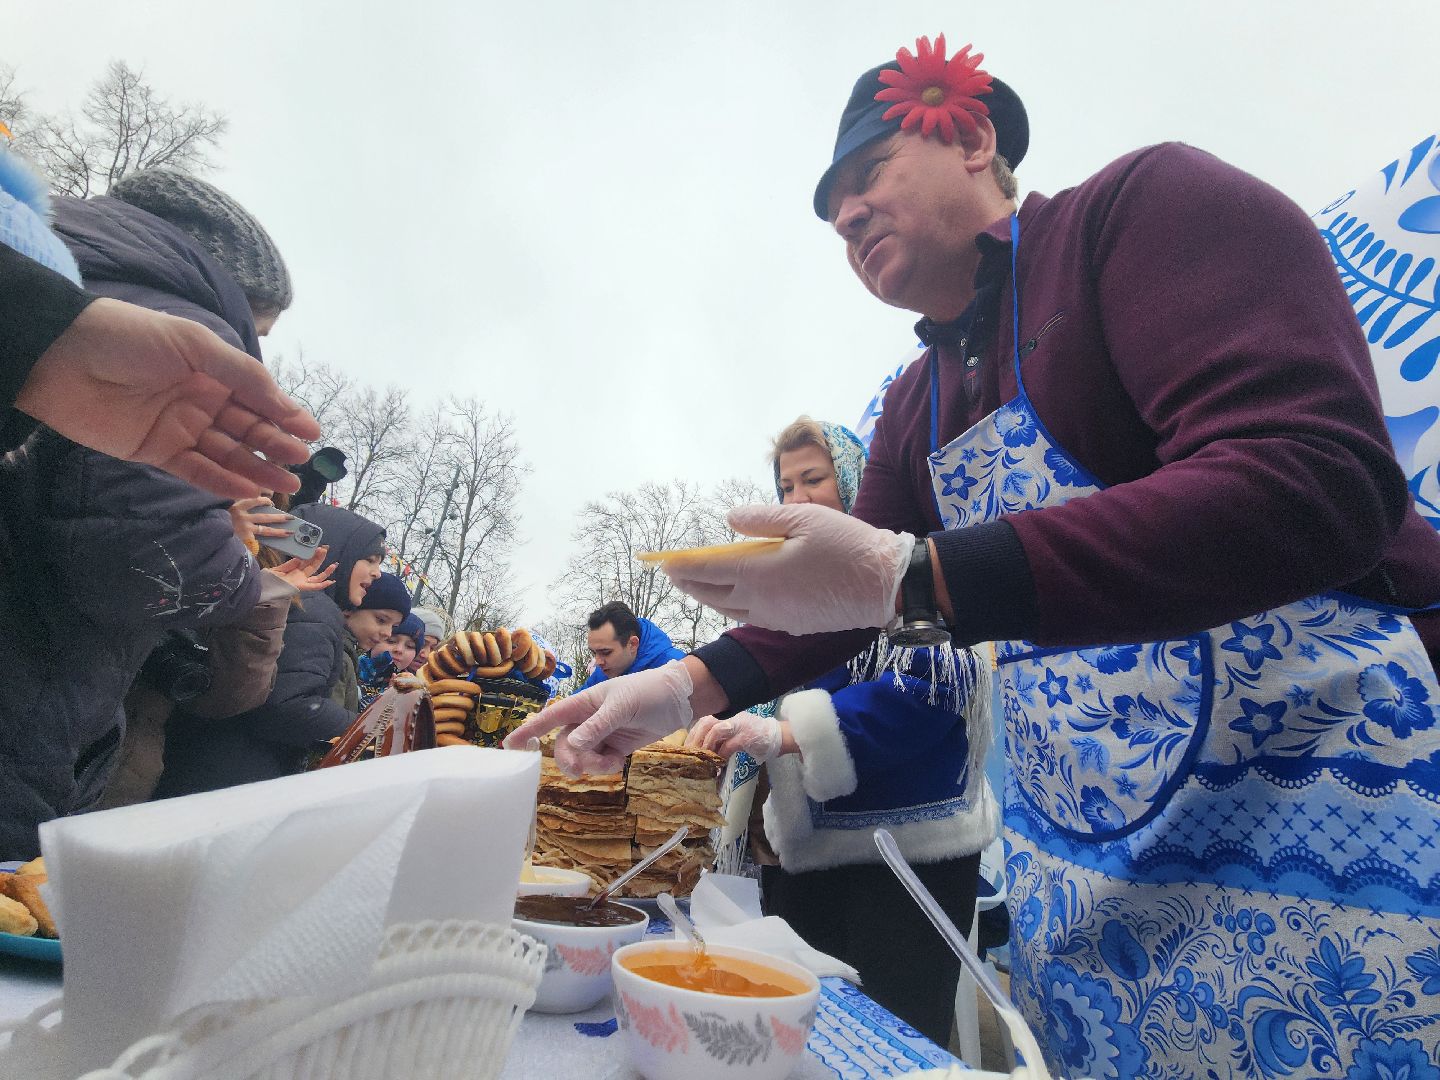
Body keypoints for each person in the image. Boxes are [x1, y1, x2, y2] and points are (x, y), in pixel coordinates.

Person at [511, 33, 1440, 1078]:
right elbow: (848, 602)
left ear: (976, 138)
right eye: (830, 212)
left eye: (866, 175)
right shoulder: (917, 401)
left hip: (1319, 807)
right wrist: (682, 686)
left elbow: (1319, 476)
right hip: (1090, 869)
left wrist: (918, 577)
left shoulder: (1140, 213)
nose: (846, 214)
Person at [689, 416, 997, 1046]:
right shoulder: (798, 606)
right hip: (805, 860)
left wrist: (787, 733)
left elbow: (939, 686)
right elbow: (769, 687)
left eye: (814, 479)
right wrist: (725, 723)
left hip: (909, 862)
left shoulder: (911, 567)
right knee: (805, 1041)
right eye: (785, 488)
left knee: (893, 1040)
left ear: (855, 482)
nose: (797, 500)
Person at [0, 149, 317, 497]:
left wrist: (41, 340)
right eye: (257, 331)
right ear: (234, 294)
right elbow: (155, 528)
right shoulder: (201, 331)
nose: (253, 346)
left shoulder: (32, 230)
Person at [156, 503, 390, 795]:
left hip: (207, 765)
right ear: (333, 550)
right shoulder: (314, 606)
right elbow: (286, 705)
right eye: (369, 559)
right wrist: (368, 730)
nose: (377, 573)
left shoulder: (277, 593)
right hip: (239, 777)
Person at [582, 601, 684, 687]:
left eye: (606, 652)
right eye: (594, 653)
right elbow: (575, 705)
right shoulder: (603, 673)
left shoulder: (677, 668)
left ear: (632, 644)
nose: (597, 662)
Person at [358, 610, 426, 711]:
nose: (399, 650)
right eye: (391, 641)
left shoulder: (413, 691)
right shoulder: (349, 668)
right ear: (373, 641)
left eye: (409, 646)